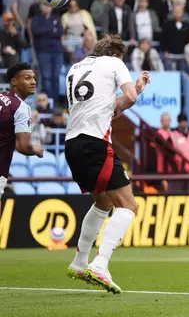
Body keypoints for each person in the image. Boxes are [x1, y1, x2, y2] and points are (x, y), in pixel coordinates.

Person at [65, 34, 151, 294]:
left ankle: (80, 262)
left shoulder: (75, 68)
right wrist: (136, 89)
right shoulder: (114, 63)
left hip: (72, 144)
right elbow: (129, 99)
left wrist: (131, 93)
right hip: (96, 144)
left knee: (102, 202)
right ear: (116, 53)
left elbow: (106, 108)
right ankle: (100, 263)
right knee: (128, 205)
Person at [0, 63, 44, 199]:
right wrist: (36, 149)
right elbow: (23, 146)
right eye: (27, 78)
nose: (33, 82)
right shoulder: (21, 108)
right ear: (14, 82)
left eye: (34, 78)